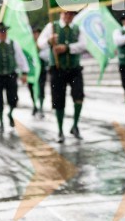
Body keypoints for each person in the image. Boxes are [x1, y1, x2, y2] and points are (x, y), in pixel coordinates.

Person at [37, 10, 87, 143]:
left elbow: (83, 45)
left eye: (71, 14)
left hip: (74, 68)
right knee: (58, 100)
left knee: (79, 96)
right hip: (57, 69)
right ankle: (60, 130)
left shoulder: (77, 29)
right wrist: (49, 40)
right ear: (61, 14)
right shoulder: (51, 27)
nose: (68, 16)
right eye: (66, 13)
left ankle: (75, 126)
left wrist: (67, 48)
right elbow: (40, 43)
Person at [25, 27, 49, 118]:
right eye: (34, 33)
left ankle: (41, 107)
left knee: (41, 88)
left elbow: (47, 56)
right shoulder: (29, 45)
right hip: (31, 72)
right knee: (31, 89)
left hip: (41, 71)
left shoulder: (43, 45)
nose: (36, 35)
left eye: (37, 33)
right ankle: (35, 105)